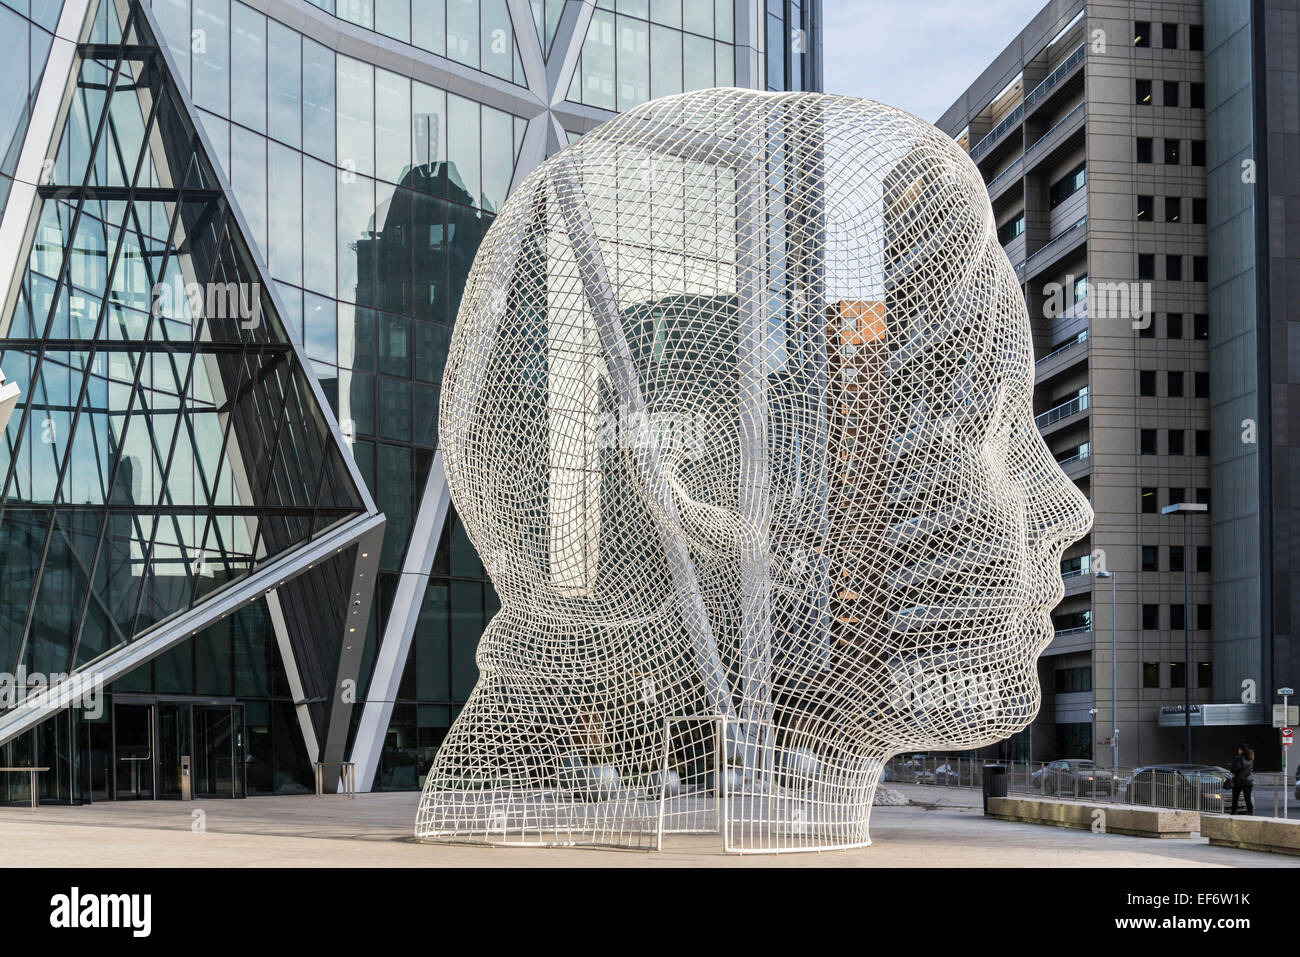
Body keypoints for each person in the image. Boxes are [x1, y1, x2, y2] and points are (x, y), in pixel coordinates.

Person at [1229, 744, 1254, 815]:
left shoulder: (1239, 758)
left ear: (1240, 750)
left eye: (1238, 749)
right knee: (1248, 798)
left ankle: (1233, 813)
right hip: (1249, 781)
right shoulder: (1250, 757)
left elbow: (1236, 769)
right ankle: (1250, 813)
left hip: (1239, 781)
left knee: (1235, 798)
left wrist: (1231, 767)